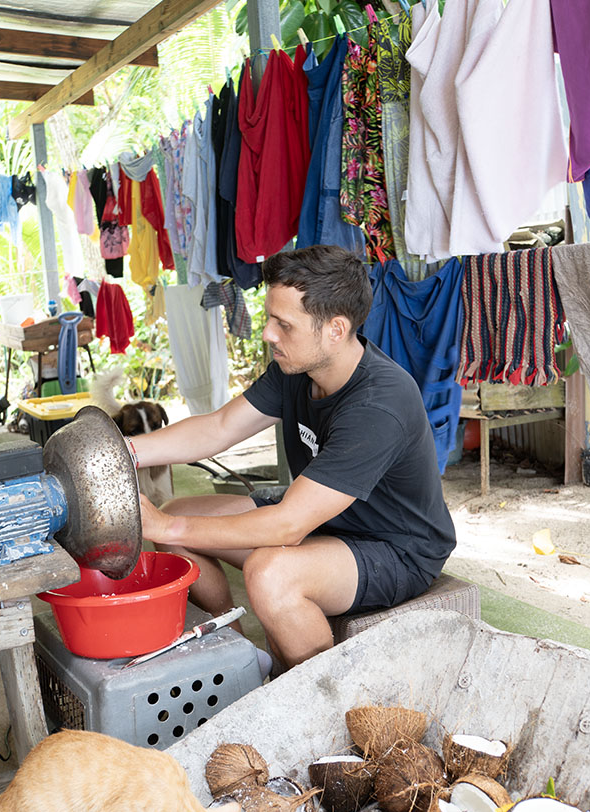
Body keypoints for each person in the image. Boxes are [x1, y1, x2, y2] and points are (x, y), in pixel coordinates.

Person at [129, 245, 456, 671]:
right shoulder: (297, 368)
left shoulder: (380, 403)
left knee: (270, 573)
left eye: (283, 324)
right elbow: (219, 428)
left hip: (394, 548)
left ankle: (314, 697)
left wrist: (163, 523)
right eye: (270, 319)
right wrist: (124, 451)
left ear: (335, 329)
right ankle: (242, 662)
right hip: (327, 523)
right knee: (178, 524)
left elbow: (289, 523)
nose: (268, 334)